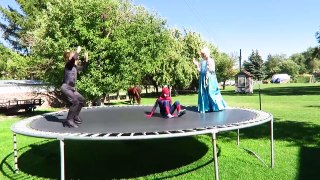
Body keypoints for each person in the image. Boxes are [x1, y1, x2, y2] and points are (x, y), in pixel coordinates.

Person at [192, 47, 227, 113]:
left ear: (207, 53)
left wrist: (208, 72)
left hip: (210, 78)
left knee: (211, 92)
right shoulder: (202, 61)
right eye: (202, 54)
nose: (202, 55)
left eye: (203, 54)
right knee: (203, 93)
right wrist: (196, 65)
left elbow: (212, 70)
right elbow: (200, 71)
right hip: (203, 78)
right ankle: (206, 107)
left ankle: (216, 107)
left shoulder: (211, 60)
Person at [61, 46, 89, 128]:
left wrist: (86, 59)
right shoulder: (68, 65)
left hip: (71, 89)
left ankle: (75, 116)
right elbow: (73, 59)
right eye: (73, 56)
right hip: (66, 87)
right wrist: (77, 51)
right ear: (69, 58)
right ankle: (69, 120)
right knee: (75, 101)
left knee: (82, 100)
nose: (76, 58)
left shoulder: (75, 67)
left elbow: (84, 68)